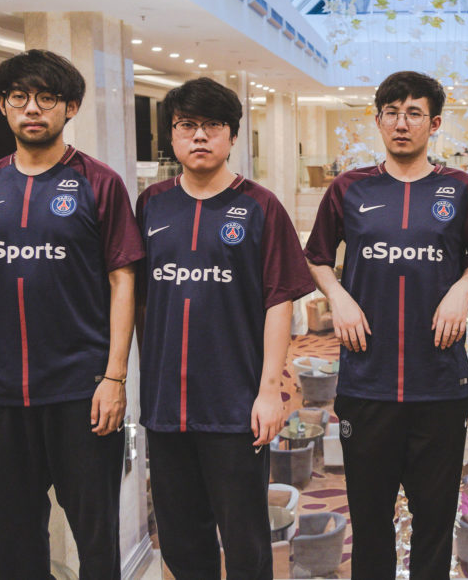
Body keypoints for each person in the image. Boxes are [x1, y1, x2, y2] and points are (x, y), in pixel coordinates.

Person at [0, 49, 144, 579]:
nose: (32, 108)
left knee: (96, 542)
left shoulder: (99, 183)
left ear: (70, 107)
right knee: (8, 540)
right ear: (3, 106)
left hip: (81, 394)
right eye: (19, 97)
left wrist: (115, 377)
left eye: (47, 98)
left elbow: (123, 281)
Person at [305, 70, 468, 578]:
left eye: (414, 113)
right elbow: (316, 257)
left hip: (440, 383)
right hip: (367, 383)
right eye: (391, 113)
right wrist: (338, 297)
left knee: (435, 524)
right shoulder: (349, 188)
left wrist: (462, 288)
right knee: (370, 527)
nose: (401, 123)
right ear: (377, 121)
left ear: (435, 124)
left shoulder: (461, 188)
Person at [135, 78, 314, 578]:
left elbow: (279, 301)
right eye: (186, 125)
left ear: (233, 136)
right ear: (171, 135)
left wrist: (269, 392)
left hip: (236, 408)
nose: (199, 136)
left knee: (246, 542)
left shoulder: (261, 206)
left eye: (212, 125)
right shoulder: (151, 204)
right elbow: (137, 299)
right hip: (166, 408)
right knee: (179, 540)